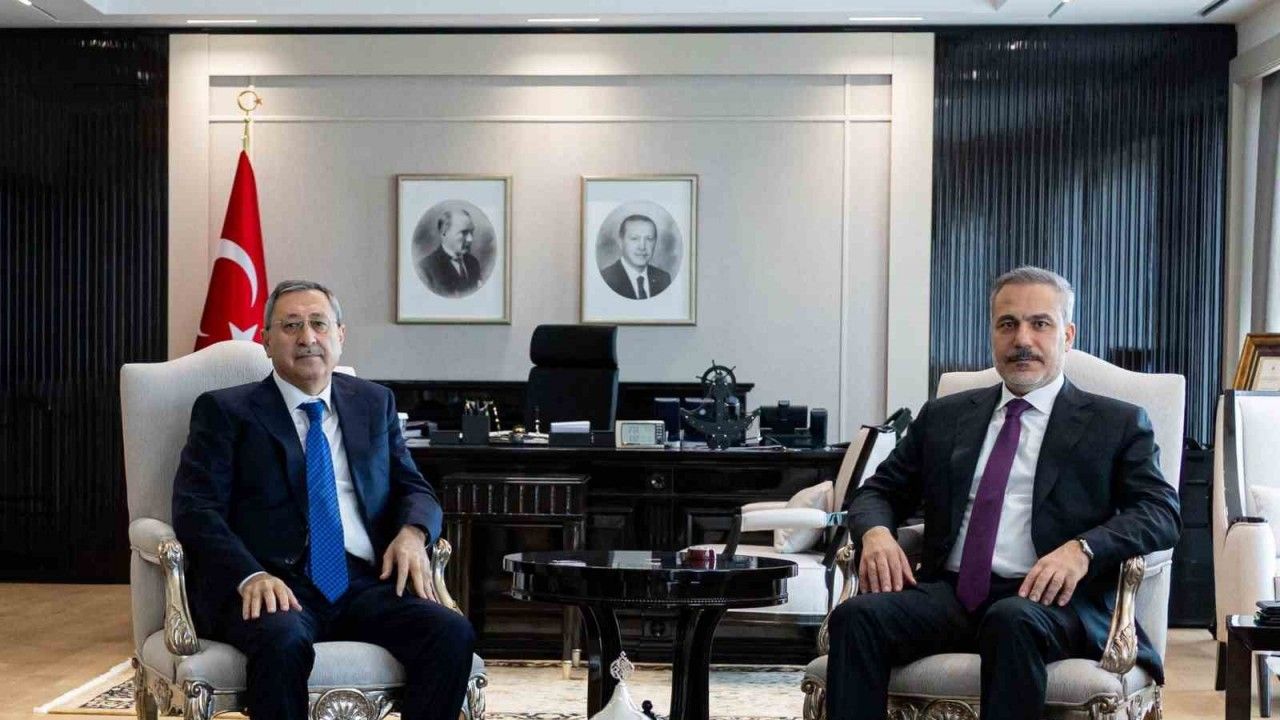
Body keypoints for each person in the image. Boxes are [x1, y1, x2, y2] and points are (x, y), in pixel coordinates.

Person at [827, 266, 1180, 720]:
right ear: (992, 334)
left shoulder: (1117, 423)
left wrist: (1083, 549)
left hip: (1054, 603)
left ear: (1067, 335)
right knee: (857, 617)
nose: (1022, 340)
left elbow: (1160, 511)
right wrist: (876, 533)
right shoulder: (945, 417)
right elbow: (878, 490)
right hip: (951, 595)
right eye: (1008, 324)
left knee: (1011, 620)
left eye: (1040, 323)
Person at [173, 280, 475, 720]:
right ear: (266, 340)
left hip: (363, 581)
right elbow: (196, 509)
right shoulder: (225, 411)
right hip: (273, 581)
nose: (307, 337)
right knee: (283, 642)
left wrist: (413, 533)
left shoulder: (373, 403)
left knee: (450, 631)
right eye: (291, 325)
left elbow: (415, 488)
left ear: (340, 335)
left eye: (319, 323)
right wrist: (249, 574)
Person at [600, 213, 672, 299]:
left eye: (649, 239)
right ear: (620, 242)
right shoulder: (606, 279)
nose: (642, 247)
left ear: (655, 242)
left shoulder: (663, 278)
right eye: (634, 238)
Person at [420, 209, 482, 297]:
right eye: (464, 232)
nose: (470, 239)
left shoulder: (473, 262)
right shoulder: (425, 268)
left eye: (471, 232)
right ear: (444, 233)